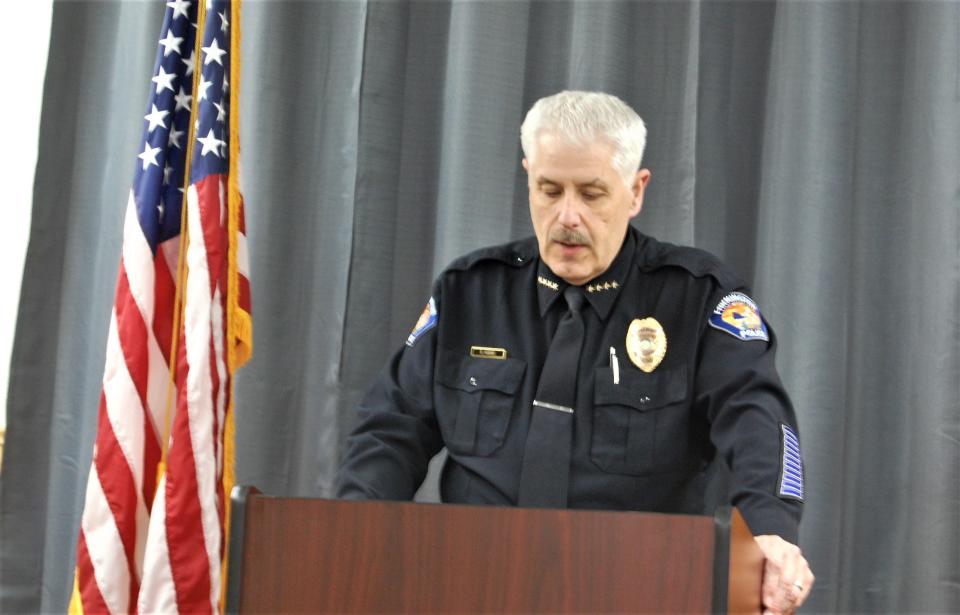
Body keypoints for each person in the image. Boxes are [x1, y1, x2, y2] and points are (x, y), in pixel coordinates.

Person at [336, 90, 814, 614]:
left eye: (591, 193)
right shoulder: (471, 292)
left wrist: (770, 530)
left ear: (635, 192)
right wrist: (355, 537)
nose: (567, 216)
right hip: (473, 584)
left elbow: (759, 419)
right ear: (528, 180)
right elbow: (390, 429)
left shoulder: (698, 298)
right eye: (549, 190)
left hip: (641, 588)